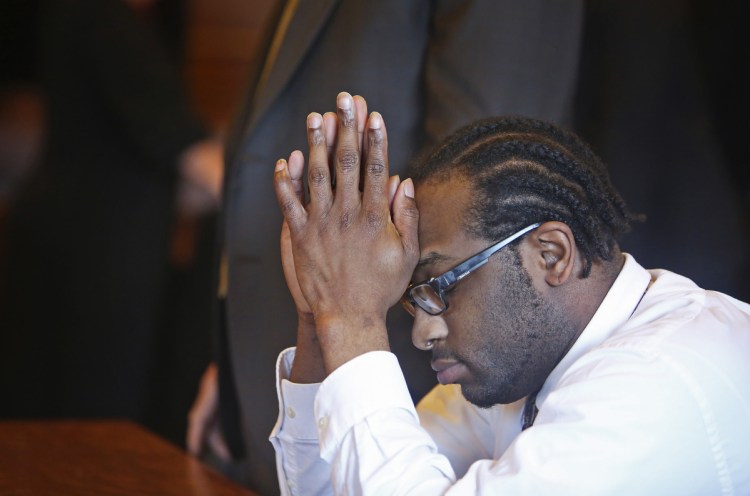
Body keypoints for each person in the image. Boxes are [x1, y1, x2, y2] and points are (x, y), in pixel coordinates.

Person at [186, 1, 584, 492]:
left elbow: (493, 196)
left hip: (407, 368)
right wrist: (240, 347)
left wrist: (351, 318)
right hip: (290, 355)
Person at [270, 92, 750, 494]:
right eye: (416, 299)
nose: (422, 333)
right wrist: (323, 316)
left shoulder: (653, 386)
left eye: (442, 285)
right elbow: (337, 486)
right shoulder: (524, 360)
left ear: (550, 255)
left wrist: (352, 319)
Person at [1, 0, 222, 429]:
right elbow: (174, 133)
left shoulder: (161, 15)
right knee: (82, 418)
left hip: (111, 232)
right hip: (86, 240)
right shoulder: (94, 12)